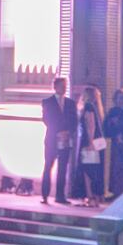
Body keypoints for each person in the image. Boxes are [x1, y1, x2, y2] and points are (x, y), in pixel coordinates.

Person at [40, 75, 79, 204]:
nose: (64, 88)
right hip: (52, 139)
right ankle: (45, 194)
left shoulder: (70, 103)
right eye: (62, 86)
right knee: (48, 166)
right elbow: (47, 119)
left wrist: (68, 132)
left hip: (66, 139)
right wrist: (58, 131)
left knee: (63, 168)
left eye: (65, 86)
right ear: (55, 87)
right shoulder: (47, 102)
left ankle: (60, 195)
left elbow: (74, 120)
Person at [76, 84, 107, 205]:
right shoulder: (96, 108)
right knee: (95, 169)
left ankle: (90, 196)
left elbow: (91, 125)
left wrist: (89, 142)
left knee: (87, 169)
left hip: (89, 141)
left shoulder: (88, 107)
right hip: (98, 141)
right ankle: (96, 196)